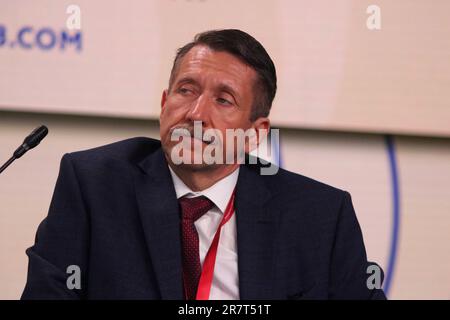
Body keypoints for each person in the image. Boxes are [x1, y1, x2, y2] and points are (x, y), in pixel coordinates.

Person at [22, 29, 386, 300]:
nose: (196, 114)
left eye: (224, 100)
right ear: (164, 103)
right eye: (186, 90)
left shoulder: (320, 216)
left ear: (255, 133)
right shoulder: (94, 184)